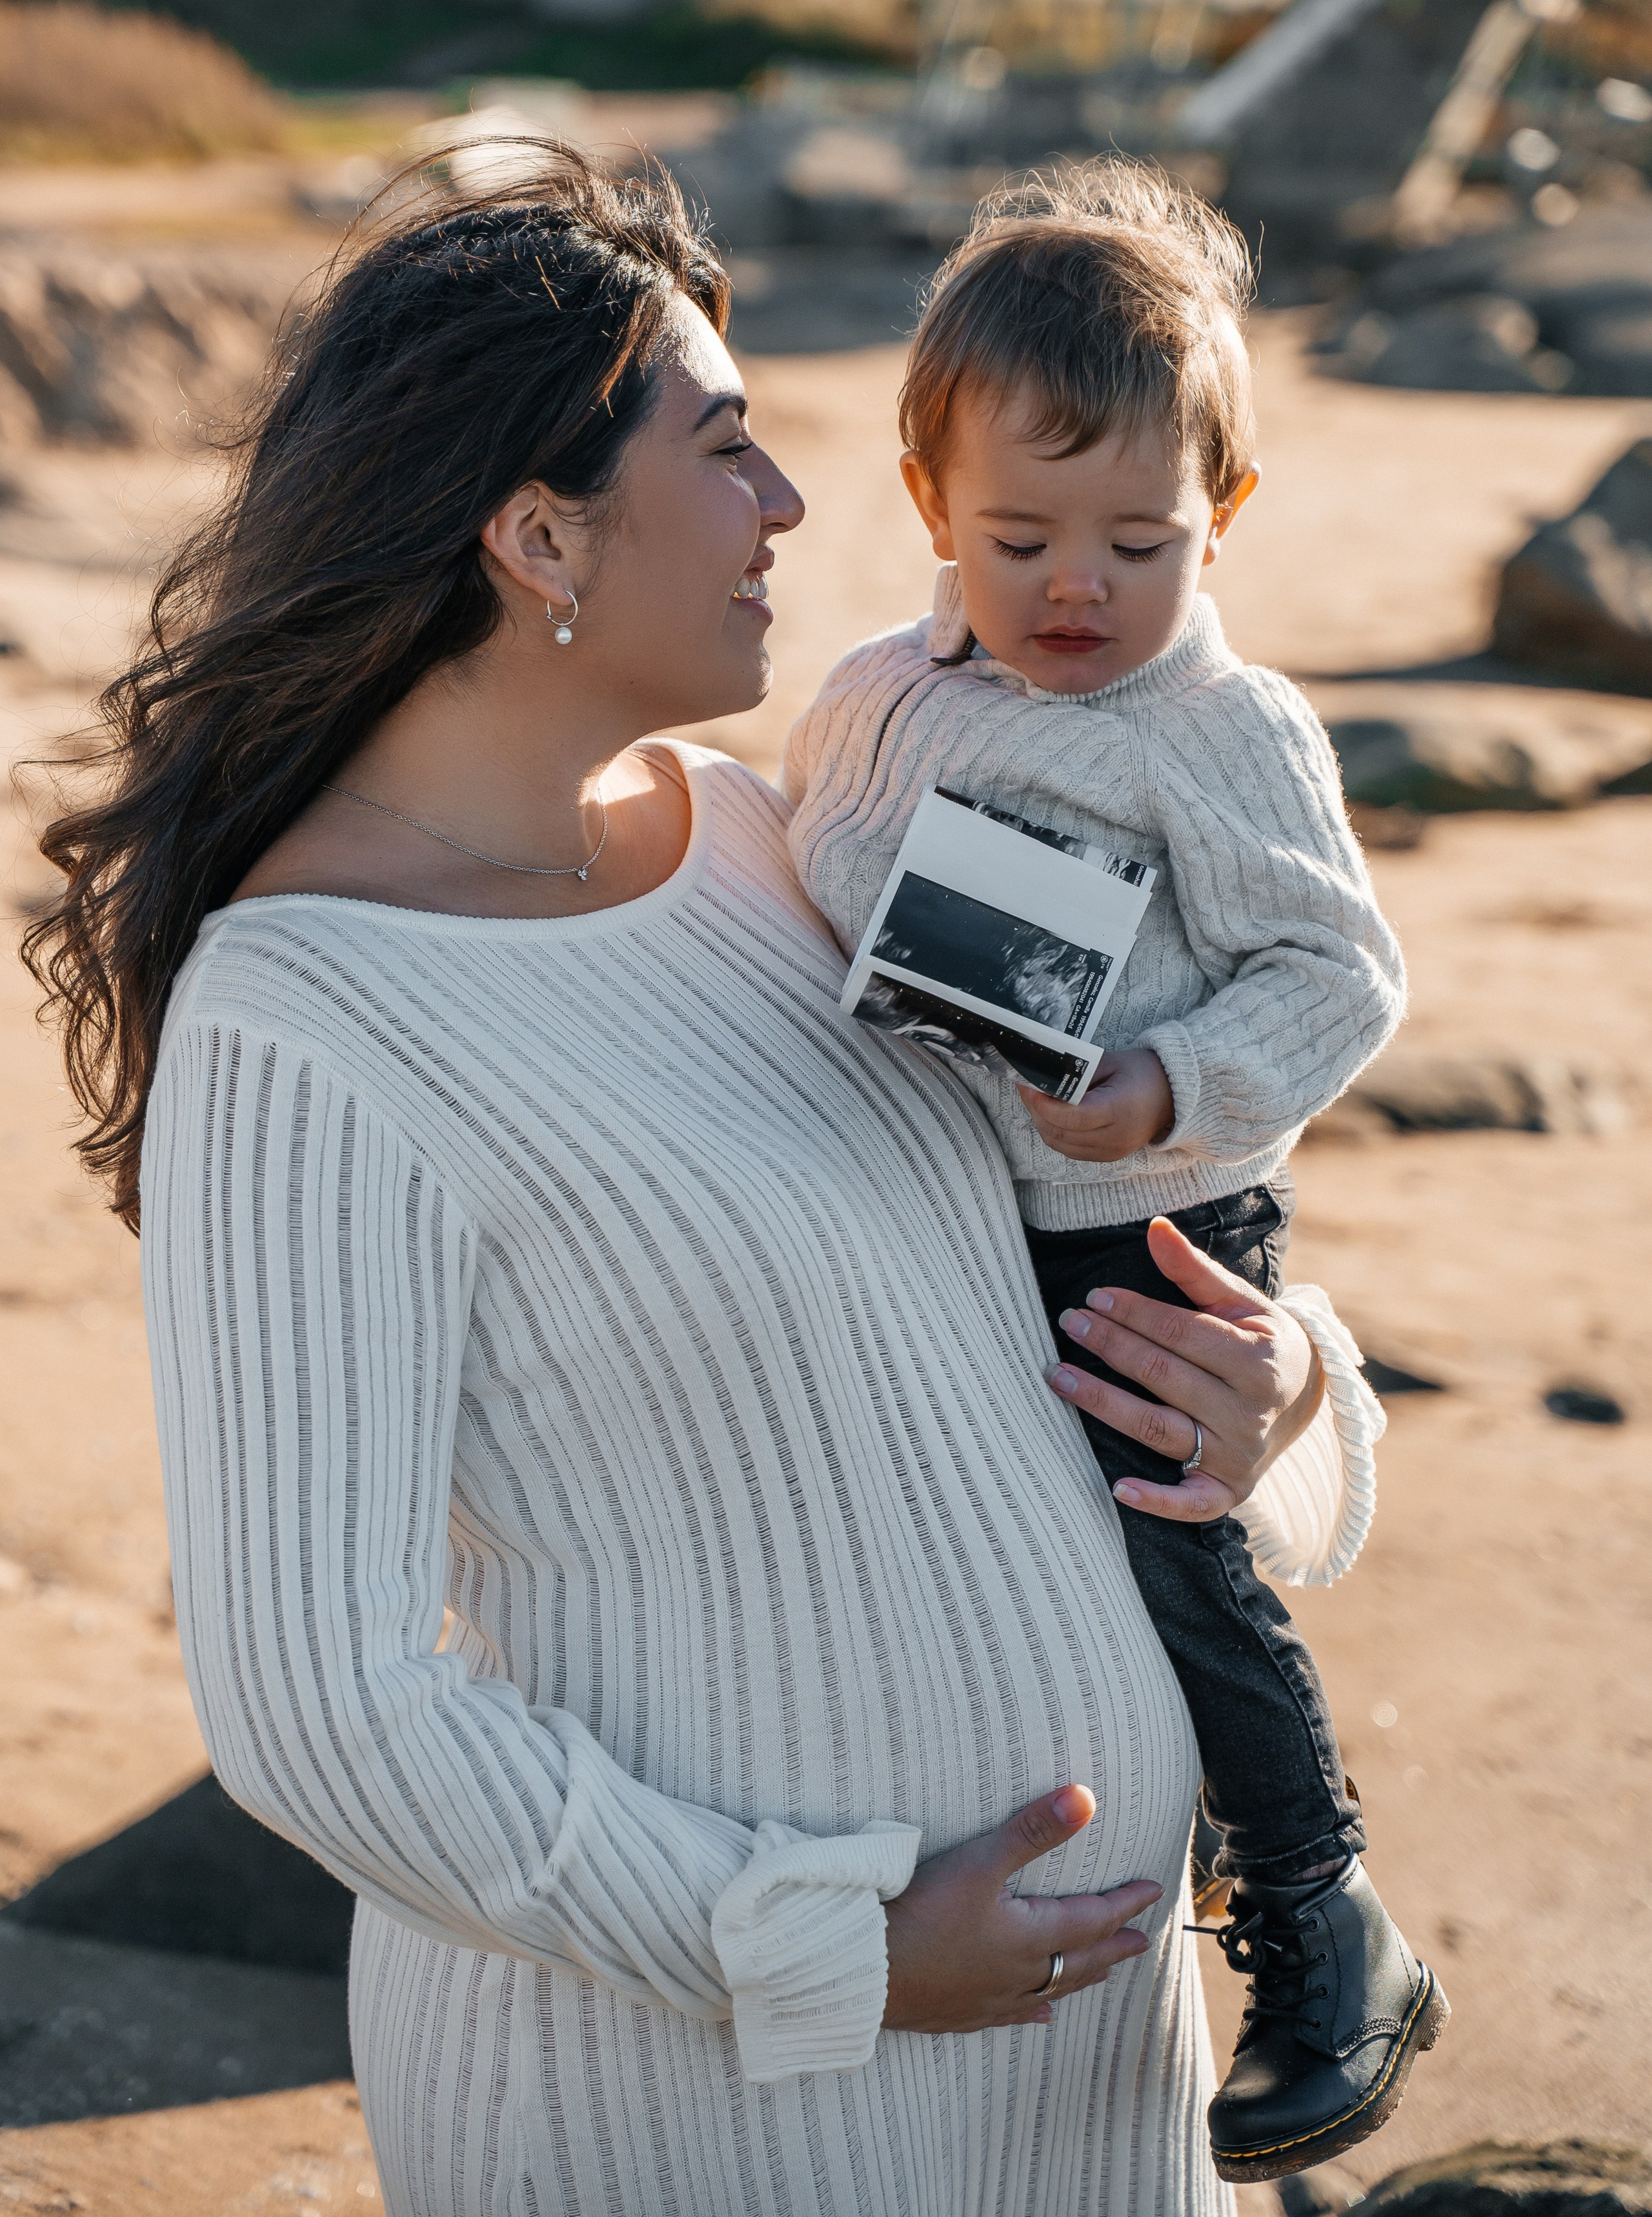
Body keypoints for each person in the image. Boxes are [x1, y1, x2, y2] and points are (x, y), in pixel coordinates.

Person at [26, 148, 1384, 2217]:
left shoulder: (795, 838)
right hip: (705, 2100)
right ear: (540, 532)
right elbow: (323, 1705)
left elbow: (1094, 1238)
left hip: (1089, 2087)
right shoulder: (303, 1023)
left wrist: (1278, 1405)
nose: (797, 506)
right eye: (729, 445)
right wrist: (824, 1944)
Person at [785, 161, 1447, 2183]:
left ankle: (1325, 1912)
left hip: (1148, 1219)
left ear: (1221, 516)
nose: (1078, 587)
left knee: (1169, 1547)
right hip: (961, 1223)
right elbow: (815, 875)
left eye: (1140, 543)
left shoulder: (1215, 728)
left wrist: (1168, 1081)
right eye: (1023, 539)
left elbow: (1341, 971)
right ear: (931, 504)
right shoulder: (884, 691)